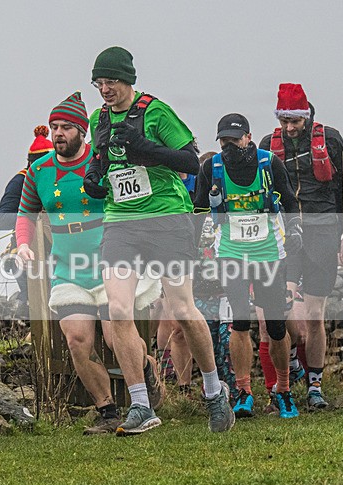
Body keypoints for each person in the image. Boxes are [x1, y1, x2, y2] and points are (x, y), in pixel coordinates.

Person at [83, 46, 234, 434]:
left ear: (128, 80)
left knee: (182, 307)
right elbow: (104, 159)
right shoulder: (99, 117)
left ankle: (215, 392)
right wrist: (94, 176)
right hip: (121, 220)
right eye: (99, 83)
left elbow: (190, 161)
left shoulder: (156, 111)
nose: (105, 89)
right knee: (118, 309)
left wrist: (145, 148)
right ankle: (140, 405)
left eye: (112, 81)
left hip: (167, 216)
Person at [17, 92, 161, 434]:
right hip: (68, 268)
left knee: (115, 336)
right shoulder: (38, 170)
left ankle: (147, 368)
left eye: (66, 127)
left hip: (110, 260)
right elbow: (25, 214)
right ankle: (108, 411)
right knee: (77, 340)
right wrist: (23, 244)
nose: (58, 133)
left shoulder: (102, 162)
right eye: (54, 127)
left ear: (82, 131)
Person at [195, 113, 302, 418]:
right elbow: (199, 207)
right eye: (224, 140)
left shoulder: (269, 163)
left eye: (235, 139)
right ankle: (244, 391)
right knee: (240, 322)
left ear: (248, 137)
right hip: (231, 252)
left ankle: (282, 390)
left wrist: (295, 230)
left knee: (276, 325)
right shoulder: (211, 167)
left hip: (269, 252)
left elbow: (291, 202)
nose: (230, 145)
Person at [259, 83, 343, 410]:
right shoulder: (269, 145)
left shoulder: (331, 139)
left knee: (314, 315)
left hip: (323, 228)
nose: (290, 128)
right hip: (286, 233)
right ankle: (289, 371)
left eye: (295, 121)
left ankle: (315, 387)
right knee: (280, 313)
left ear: (307, 115)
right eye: (284, 121)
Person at [0, 126, 54, 312]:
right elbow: (2, 220)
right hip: (27, 250)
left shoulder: (58, 180)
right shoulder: (19, 183)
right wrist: (35, 217)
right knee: (33, 303)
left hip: (56, 249)